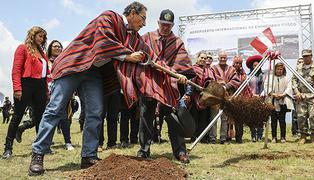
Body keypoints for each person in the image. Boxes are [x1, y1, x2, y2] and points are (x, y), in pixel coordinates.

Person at [28, 2, 188, 176]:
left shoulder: (134, 38)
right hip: (74, 64)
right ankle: (38, 154)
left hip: (93, 74)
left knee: (96, 112)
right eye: (143, 18)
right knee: (55, 109)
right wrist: (127, 55)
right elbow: (102, 42)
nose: (143, 24)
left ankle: (88, 155)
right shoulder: (109, 17)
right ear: (132, 13)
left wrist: (175, 74)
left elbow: (152, 57)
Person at [138, 9, 195, 163]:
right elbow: (138, 56)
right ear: (158, 23)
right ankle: (144, 150)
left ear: (173, 25)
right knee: (146, 116)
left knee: (174, 118)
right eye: (163, 24)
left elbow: (183, 64)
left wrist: (181, 75)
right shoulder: (146, 38)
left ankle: (180, 152)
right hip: (149, 83)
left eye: (169, 25)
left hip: (169, 85)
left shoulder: (177, 42)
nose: (165, 28)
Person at [2, 26, 49, 159]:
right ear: (32, 35)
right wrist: (17, 88)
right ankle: (8, 148)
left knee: (40, 118)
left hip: (40, 86)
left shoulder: (42, 53)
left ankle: (40, 147)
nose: (42, 39)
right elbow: (16, 70)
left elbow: (45, 75)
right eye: (40, 36)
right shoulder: (22, 48)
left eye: (44, 37)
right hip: (26, 84)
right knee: (17, 116)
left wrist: (46, 91)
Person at [210, 51, 241, 144]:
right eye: (221, 57)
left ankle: (223, 138)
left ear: (227, 59)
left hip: (227, 96)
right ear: (218, 58)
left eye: (224, 57)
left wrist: (226, 86)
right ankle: (213, 138)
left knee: (225, 118)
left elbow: (236, 80)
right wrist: (221, 84)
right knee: (213, 117)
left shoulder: (232, 69)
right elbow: (212, 79)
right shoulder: (213, 68)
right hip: (215, 96)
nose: (223, 59)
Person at [292, 49, 314, 144]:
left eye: (307, 56)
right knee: (301, 116)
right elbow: (294, 80)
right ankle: (303, 135)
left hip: (313, 95)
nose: (306, 58)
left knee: (313, 116)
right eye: (304, 56)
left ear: (311, 56)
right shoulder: (298, 67)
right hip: (301, 95)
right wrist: (297, 92)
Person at [190, 51, 216, 143]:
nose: (203, 60)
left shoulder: (209, 70)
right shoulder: (192, 69)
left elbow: (213, 82)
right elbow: (190, 82)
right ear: (197, 58)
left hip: (206, 98)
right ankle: (194, 137)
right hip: (195, 97)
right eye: (201, 57)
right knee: (194, 118)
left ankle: (203, 138)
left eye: (205, 58)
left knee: (204, 118)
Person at [265, 62, 294, 143]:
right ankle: (274, 137)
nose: (279, 71)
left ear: (283, 70)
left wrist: (282, 95)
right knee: (273, 120)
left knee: (282, 120)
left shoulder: (287, 78)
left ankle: (283, 137)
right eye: (278, 69)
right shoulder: (270, 78)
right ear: (275, 70)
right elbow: (266, 86)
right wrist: (273, 94)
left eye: (281, 69)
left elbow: (289, 88)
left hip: (282, 101)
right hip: (272, 101)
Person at [232, 55, 252, 143]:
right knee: (229, 119)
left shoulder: (243, 73)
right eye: (236, 63)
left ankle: (239, 137)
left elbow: (246, 86)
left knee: (239, 120)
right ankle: (227, 137)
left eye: (239, 63)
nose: (238, 65)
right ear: (233, 63)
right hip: (232, 97)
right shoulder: (231, 72)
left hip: (241, 99)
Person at [247, 55, 265, 142]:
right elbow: (247, 88)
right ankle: (253, 135)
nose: (256, 67)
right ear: (251, 66)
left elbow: (266, 87)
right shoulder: (248, 76)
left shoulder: (264, 76)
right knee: (252, 118)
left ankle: (260, 136)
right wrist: (252, 95)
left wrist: (261, 94)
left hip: (262, 98)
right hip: (252, 98)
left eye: (258, 65)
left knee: (260, 118)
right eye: (254, 65)